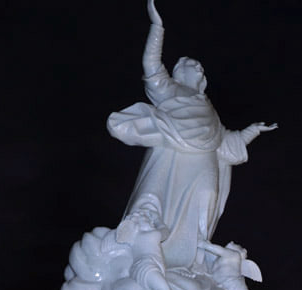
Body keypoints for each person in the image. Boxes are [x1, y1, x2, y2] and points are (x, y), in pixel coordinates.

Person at [108, 0, 276, 270]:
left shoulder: (209, 109)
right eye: (190, 65)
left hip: (204, 160)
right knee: (161, 201)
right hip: (174, 157)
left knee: (207, 196)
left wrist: (251, 132)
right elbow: (151, 64)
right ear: (178, 73)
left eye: (200, 68)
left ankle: (193, 259)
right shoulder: (170, 91)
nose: (197, 68)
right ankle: (148, 253)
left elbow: (224, 142)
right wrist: (157, 28)